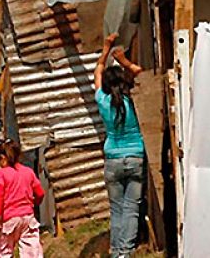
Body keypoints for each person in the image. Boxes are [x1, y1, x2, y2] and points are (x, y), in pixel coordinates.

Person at [93, 32, 145, 258]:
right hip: (135, 157)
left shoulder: (103, 101)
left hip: (112, 159)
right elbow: (139, 73)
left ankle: (116, 254)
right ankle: (126, 252)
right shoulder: (133, 99)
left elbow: (97, 71)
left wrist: (106, 49)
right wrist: (123, 60)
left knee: (116, 209)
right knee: (131, 209)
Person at [0, 139, 45, 258]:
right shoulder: (28, 172)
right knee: (31, 250)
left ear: (3, 158)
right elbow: (40, 193)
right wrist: (34, 203)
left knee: (4, 250)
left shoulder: (2, 174)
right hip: (27, 218)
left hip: (10, 219)